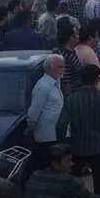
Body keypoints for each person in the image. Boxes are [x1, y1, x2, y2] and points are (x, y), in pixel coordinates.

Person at [56, 65, 100, 197]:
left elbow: (61, 125)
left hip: (77, 146)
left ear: (81, 79)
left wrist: (64, 144)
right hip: (99, 146)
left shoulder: (72, 99)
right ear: (97, 79)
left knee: (72, 181)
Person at [24, 55, 65, 187]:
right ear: (49, 68)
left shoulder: (55, 83)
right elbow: (34, 111)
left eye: (63, 66)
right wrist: (31, 127)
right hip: (45, 135)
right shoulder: (43, 87)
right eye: (60, 67)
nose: (63, 69)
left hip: (54, 133)